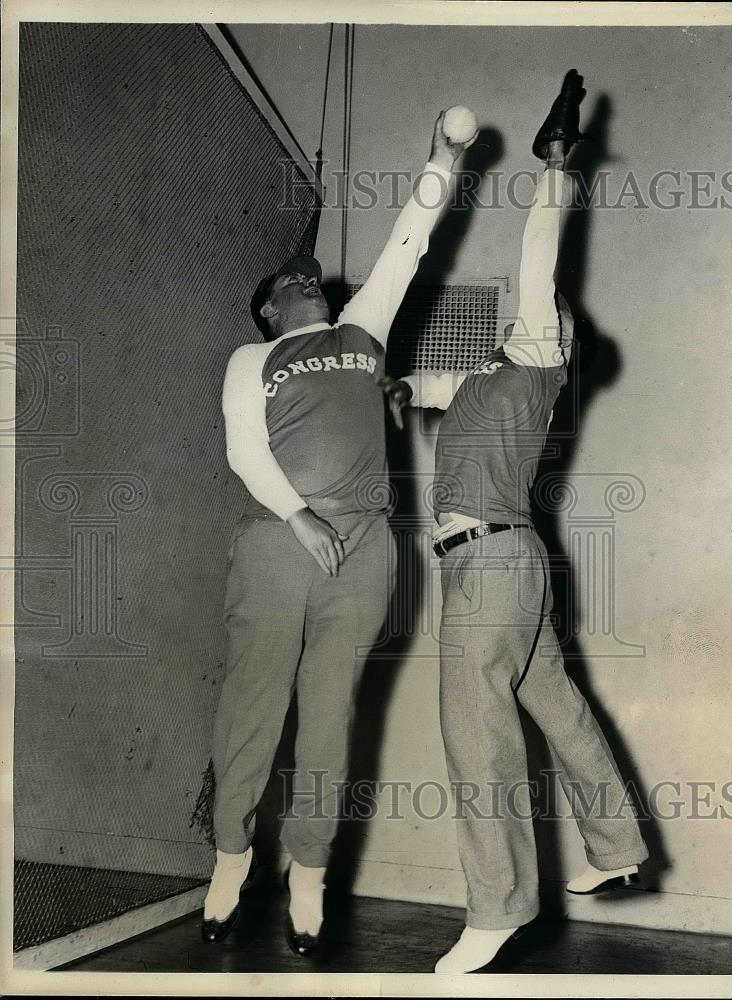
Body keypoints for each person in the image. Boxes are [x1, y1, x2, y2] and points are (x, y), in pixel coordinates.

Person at [383, 70, 649, 975]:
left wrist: (555, 159)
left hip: (489, 565)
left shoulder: (535, 360)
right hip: (510, 567)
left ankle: (496, 909)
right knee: (556, 707)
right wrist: (385, 383)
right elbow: (418, 389)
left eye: (547, 315)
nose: (533, 309)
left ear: (556, 340)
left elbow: (541, 249)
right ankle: (618, 851)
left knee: (474, 729)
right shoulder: (484, 381)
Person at [201, 113, 474, 955]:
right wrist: (300, 517)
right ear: (267, 310)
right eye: (290, 283)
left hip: (364, 551)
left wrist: (444, 158)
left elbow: (407, 242)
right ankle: (228, 861)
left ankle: (308, 877)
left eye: (310, 279)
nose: (306, 282)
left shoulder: (364, 331)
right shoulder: (253, 362)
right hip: (279, 540)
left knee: (330, 716)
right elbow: (245, 451)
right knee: (254, 706)